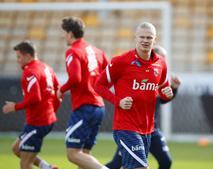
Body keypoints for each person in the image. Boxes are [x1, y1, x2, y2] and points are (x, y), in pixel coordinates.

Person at [95, 22, 174, 169]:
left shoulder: (161, 64)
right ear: (135, 38)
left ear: (155, 39)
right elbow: (99, 85)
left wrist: (168, 92)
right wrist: (118, 101)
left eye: (149, 37)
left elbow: (163, 90)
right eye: (142, 37)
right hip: (126, 127)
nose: (145, 40)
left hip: (148, 129)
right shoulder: (120, 61)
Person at [105, 46, 181, 169]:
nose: (164, 61)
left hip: (151, 130)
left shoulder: (159, 75)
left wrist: (174, 89)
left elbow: (162, 100)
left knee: (166, 161)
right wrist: (119, 101)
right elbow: (100, 84)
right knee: (116, 165)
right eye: (162, 57)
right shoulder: (138, 73)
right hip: (131, 128)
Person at [57, 16, 109, 169]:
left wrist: (61, 89)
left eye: (64, 32)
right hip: (99, 107)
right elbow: (108, 75)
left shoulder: (73, 51)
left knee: (73, 154)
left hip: (85, 107)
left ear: (71, 33)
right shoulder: (97, 51)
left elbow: (75, 78)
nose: (63, 36)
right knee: (84, 155)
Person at [2, 40, 60, 169]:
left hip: (37, 122)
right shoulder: (47, 68)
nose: (17, 60)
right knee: (16, 148)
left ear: (28, 56)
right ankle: (47, 167)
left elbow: (35, 97)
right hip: (46, 119)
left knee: (25, 164)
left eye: (19, 57)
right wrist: (51, 111)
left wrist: (15, 107)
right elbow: (58, 92)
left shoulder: (29, 72)